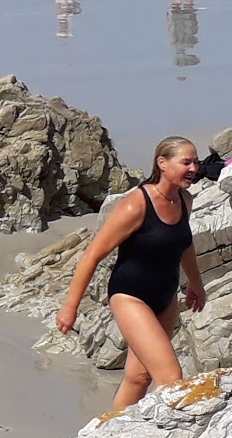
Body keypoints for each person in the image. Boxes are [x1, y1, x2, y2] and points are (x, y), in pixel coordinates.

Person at [56, 137, 208, 409]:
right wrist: (71, 307)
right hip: (130, 296)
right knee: (171, 376)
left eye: (195, 162)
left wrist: (196, 284)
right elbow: (92, 255)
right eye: (186, 162)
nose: (194, 168)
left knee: (139, 377)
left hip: (166, 298)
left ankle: (109, 436)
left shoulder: (185, 200)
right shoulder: (135, 204)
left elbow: (184, 244)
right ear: (162, 163)